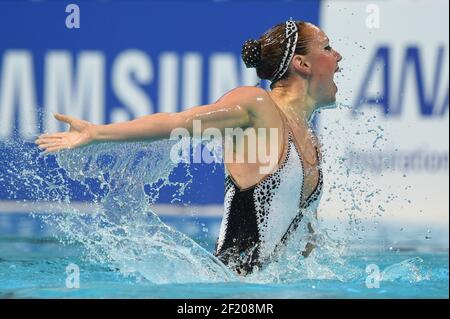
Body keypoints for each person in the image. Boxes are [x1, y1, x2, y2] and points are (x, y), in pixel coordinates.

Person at [35, 19, 342, 275]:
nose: (338, 56)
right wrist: (96, 132)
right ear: (301, 63)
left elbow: (303, 243)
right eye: (327, 48)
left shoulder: (311, 140)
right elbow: (176, 122)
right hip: (228, 291)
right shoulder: (257, 106)